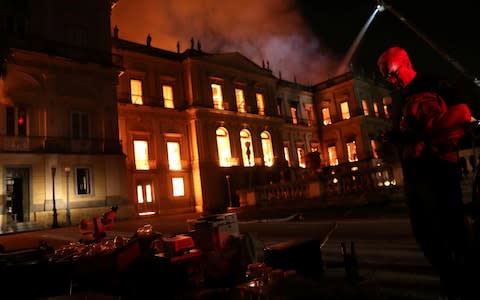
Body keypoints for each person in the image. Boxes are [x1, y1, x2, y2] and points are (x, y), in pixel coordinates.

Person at [377, 46, 473, 299]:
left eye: (393, 73)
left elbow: (463, 112)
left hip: (439, 166)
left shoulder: (434, 82)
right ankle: (451, 279)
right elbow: (410, 131)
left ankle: (464, 282)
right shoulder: (402, 96)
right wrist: (396, 138)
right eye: (387, 77)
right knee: (424, 232)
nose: (392, 80)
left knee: (451, 228)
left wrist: (422, 135)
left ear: (407, 62)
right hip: (414, 172)